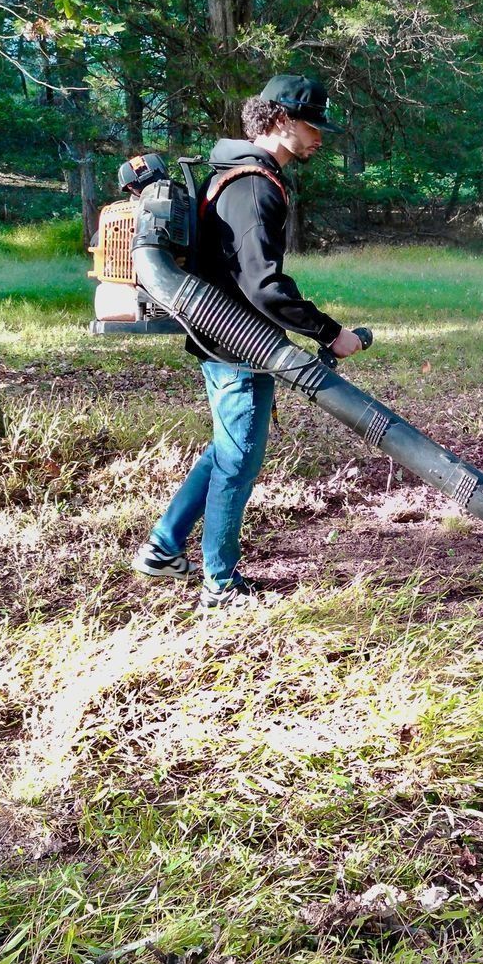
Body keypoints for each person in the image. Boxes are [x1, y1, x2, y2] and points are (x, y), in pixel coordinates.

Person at [134, 75, 367, 607]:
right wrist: (331, 332)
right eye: (312, 126)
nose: (320, 138)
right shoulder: (254, 185)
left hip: (227, 341)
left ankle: (163, 547)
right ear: (280, 120)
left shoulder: (237, 173)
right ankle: (220, 584)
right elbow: (263, 286)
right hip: (238, 347)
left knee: (226, 450)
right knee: (238, 461)